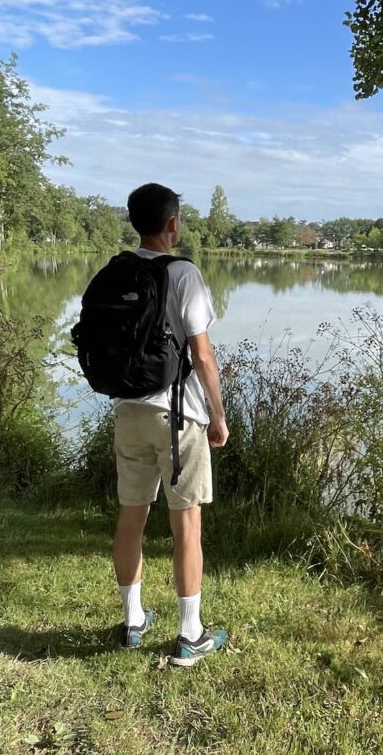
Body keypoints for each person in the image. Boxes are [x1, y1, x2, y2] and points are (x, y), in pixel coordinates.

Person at [111, 182, 229, 667]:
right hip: (177, 415)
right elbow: (202, 354)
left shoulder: (117, 271)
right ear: (172, 224)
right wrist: (218, 416)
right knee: (186, 525)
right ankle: (190, 634)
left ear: (136, 221)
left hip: (127, 410)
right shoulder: (183, 274)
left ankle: (133, 621)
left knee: (130, 515)